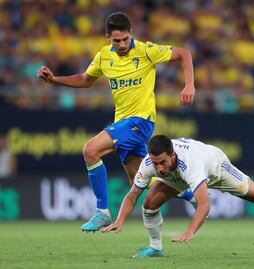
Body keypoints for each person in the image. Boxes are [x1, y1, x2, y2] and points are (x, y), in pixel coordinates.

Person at [37, 12, 195, 232]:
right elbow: (86, 79)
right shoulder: (103, 56)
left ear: (131, 33)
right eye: (116, 40)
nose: (121, 44)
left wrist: (189, 85)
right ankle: (190, 194)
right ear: (107, 37)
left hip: (141, 121)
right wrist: (55, 80)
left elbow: (183, 54)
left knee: (90, 150)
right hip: (123, 121)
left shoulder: (146, 50)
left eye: (124, 39)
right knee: (140, 182)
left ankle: (102, 212)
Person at [101, 135, 254, 258]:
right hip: (178, 176)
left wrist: (189, 232)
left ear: (171, 155)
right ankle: (155, 247)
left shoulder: (191, 164)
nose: (159, 168)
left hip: (216, 168)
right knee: (149, 202)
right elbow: (132, 194)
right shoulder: (150, 163)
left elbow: (205, 205)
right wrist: (120, 220)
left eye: (162, 162)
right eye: (155, 163)